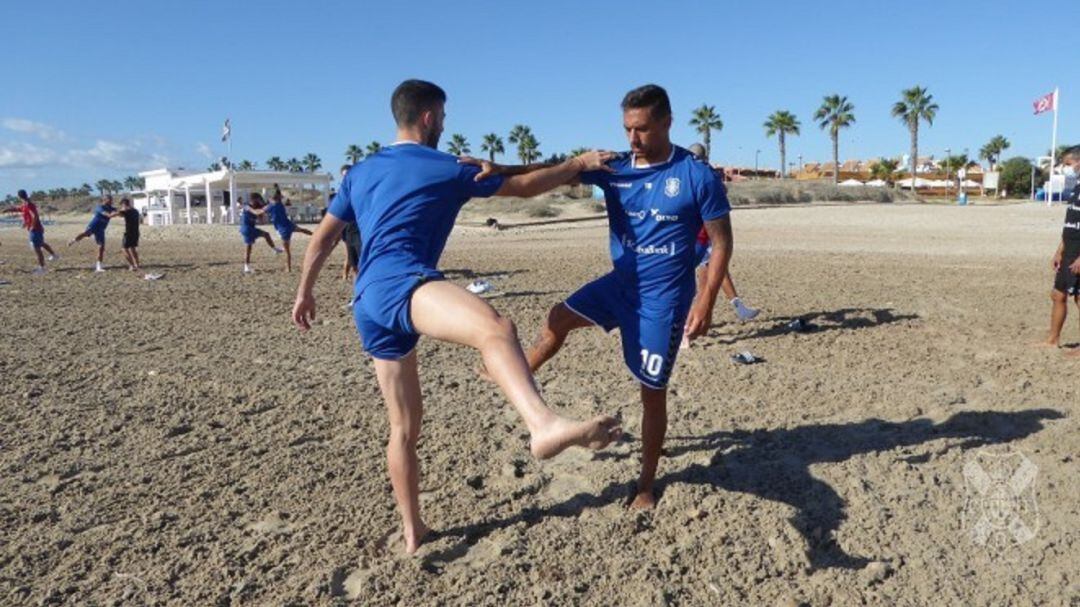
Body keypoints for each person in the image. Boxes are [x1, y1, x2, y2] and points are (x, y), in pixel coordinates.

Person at [291, 79, 621, 555]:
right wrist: (579, 164)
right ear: (428, 117)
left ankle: (412, 530)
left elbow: (323, 238)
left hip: (366, 301)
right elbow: (525, 188)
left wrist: (304, 292)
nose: (444, 126)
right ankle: (543, 425)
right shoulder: (446, 166)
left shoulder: (360, 172)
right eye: (442, 118)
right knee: (496, 329)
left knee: (404, 427)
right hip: (403, 283)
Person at [511, 85, 734, 510]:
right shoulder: (613, 167)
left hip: (663, 302)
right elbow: (550, 172)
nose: (633, 139)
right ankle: (519, 373)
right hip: (619, 285)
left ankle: (647, 485)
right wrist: (496, 166)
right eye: (628, 129)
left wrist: (705, 302)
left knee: (651, 393)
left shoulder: (696, 175)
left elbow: (721, 244)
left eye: (643, 129)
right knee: (557, 318)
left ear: (668, 122)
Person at [686, 143, 760, 328]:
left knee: (716, 271)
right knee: (704, 283)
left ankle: (738, 307)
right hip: (699, 236)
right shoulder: (699, 174)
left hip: (705, 235)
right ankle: (687, 328)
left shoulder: (700, 173)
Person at [1043, 146, 1080, 356]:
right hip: (1069, 248)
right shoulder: (1076, 187)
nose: (1066, 168)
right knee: (1058, 294)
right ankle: (1052, 339)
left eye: (1067, 164)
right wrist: (1059, 251)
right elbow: (1070, 223)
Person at [3, 190, 58, 274]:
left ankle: (42, 268)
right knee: (41, 243)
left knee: (37, 248)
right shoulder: (25, 204)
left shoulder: (29, 204)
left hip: (35, 229)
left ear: (19, 196)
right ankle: (54, 255)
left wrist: (32, 226)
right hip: (35, 229)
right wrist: (8, 210)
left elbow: (35, 215)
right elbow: (20, 209)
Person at [265, 191, 313, 272]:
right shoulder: (280, 204)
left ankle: (288, 268)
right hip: (289, 224)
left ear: (272, 199)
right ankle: (315, 234)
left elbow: (263, 211)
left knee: (287, 251)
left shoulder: (271, 206)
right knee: (302, 230)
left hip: (283, 229)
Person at [68, 195, 117, 272]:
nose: (111, 201)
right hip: (94, 226)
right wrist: (114, 214)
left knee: (101, 247)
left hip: (101, 229)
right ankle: (74, 240)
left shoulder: (112, 208)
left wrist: (119, 212)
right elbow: (107, 215)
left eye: (111, 200)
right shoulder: (99, 207)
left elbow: (117, 211)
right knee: (85, 234)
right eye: (110, 200)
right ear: (104, 200)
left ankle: (98, 266)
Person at [239, 193, 283, 274]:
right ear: (254, 199)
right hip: (246, 228)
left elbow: (262, 221)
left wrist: (264, 214)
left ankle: (274, 249)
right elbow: (255, 212)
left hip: (250, 228)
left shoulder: (256, 207)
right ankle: (246, 267)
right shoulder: (246, 206)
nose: (260, 201)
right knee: (248, 248)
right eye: (258, 199)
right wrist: (267, 207)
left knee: (265, 235)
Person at [118, 198, 142, 271]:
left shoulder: (126, 211)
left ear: (124, 204)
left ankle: (132, 265)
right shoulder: (135, 211)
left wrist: (121, 210)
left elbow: (118, 214)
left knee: (124, 249)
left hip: (128, 233)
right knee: (133, 248)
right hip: (136, 232)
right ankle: (137, 265)